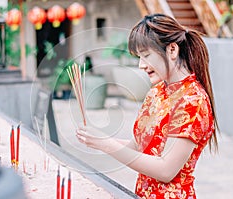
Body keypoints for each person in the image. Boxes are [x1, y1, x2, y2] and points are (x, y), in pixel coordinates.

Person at [76, 13, 218, 199]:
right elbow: (138, 147)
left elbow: (166, 170)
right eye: (139, 57)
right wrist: (99, 139)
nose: (141, 65)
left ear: (172, 50)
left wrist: (107, 145)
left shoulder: (192, 100)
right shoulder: (157, 91)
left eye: (146, 55)